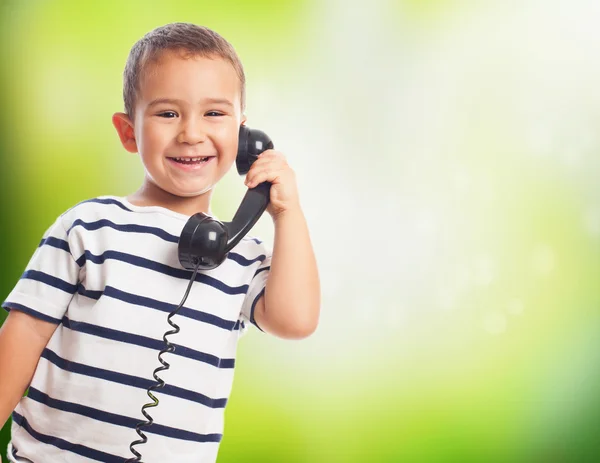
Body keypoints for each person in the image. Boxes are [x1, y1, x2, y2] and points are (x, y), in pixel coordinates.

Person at [0, 22, 320, 463]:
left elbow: (296, 320)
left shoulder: (239, 256)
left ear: (243, 137)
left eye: (214, 114)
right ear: (129, 131)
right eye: (168, 113)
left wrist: (287, 213)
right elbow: (20, 342)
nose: (191, 133)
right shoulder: (87, 227)